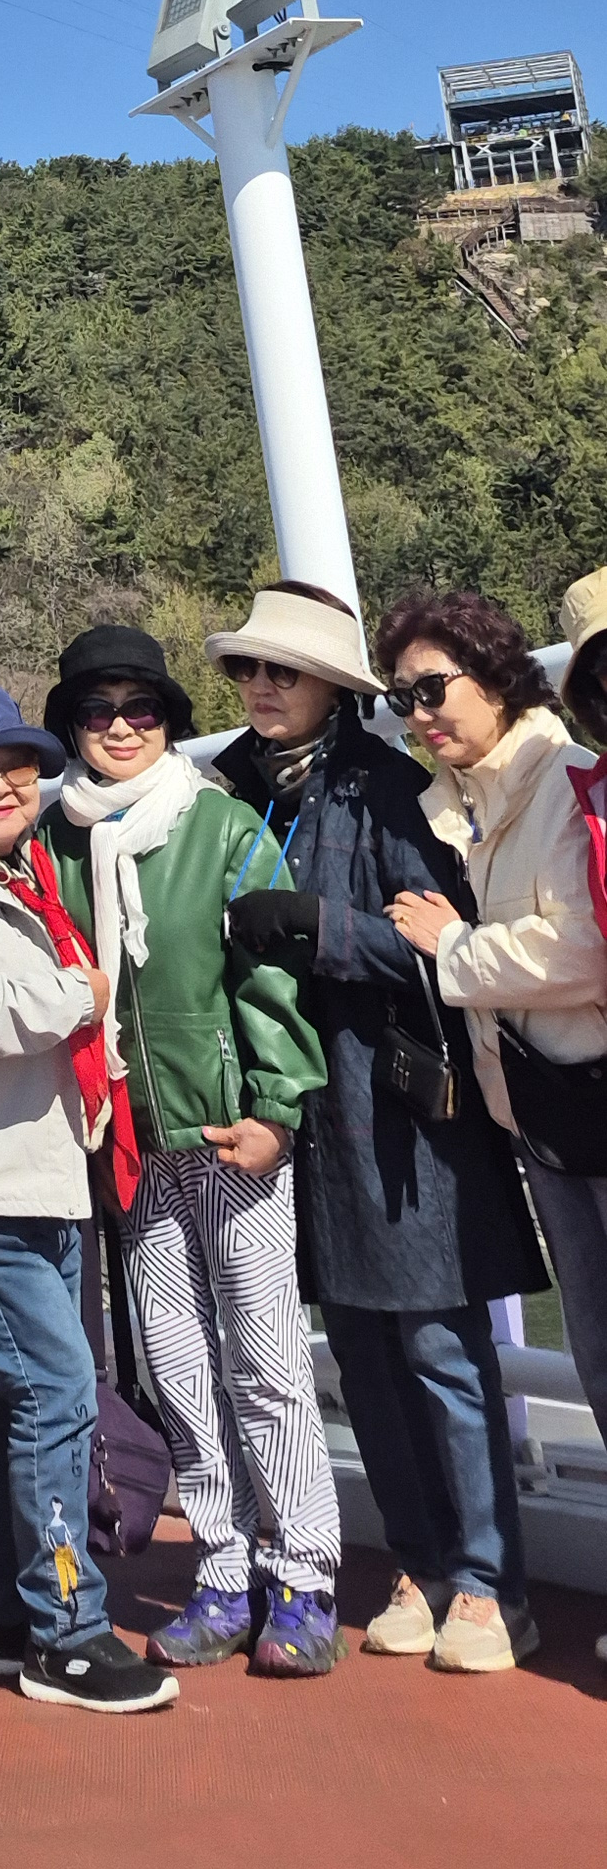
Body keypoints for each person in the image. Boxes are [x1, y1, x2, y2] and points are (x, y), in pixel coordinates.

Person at [214, 583, 543, 1674]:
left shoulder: (388, 787)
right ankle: (419, 1558)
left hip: (398, 1112)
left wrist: (321, 927)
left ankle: (491, 1581)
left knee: (439, 1344)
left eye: (285, 670)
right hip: (298, 1111)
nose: (262, 686)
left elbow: (440, 946)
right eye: (247, 669)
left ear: (332, 689)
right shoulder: (230, 788)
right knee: (357, 1347)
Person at [39, 623, 336, 1677]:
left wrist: (275, 1107)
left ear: (168, 721)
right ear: (72, 728)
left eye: (141, 709)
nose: (119, 727)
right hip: (129, 1142)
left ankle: (303, 1574)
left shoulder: (218, 826)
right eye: (97, 711)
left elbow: (272, 978)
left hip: (228, 1133)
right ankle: (222, 1564)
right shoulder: (56, 839)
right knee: (175, 1361)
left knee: (266, 1357)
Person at [0, 680, 175, 1715]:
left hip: (39, 1172)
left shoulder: (16, 872)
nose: (2, 784)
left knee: (32, 1399)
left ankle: (8, 1617)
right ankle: (68, 1631)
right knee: (54, 1395)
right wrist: (74, 996)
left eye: (16, 766)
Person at [382, 584, 607, 1640]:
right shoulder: (453, 803)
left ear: (498, 674)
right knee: (596, 1357)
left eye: (434, 687)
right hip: (545, 1121)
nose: (419, 712)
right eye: (401, 698)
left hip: (589, 1095)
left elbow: (582, 949)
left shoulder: (562, 782)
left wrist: (455, 950)